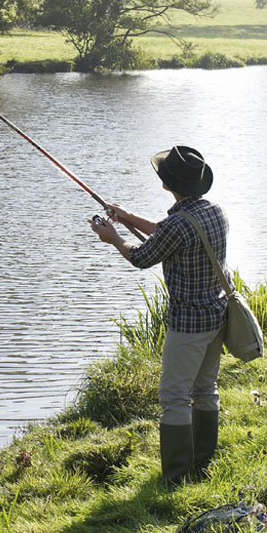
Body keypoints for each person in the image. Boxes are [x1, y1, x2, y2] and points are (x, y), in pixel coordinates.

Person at [88, 145, 229, 483]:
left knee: (175, 396)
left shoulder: (177, 224)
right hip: (217, 313)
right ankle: (202, 462)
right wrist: (129, 216)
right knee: (206, 388)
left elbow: (141, 257)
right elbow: (168, 232)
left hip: (188, 323)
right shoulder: (213, 210)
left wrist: (114, 238)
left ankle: (177, 476)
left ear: (167, 184)